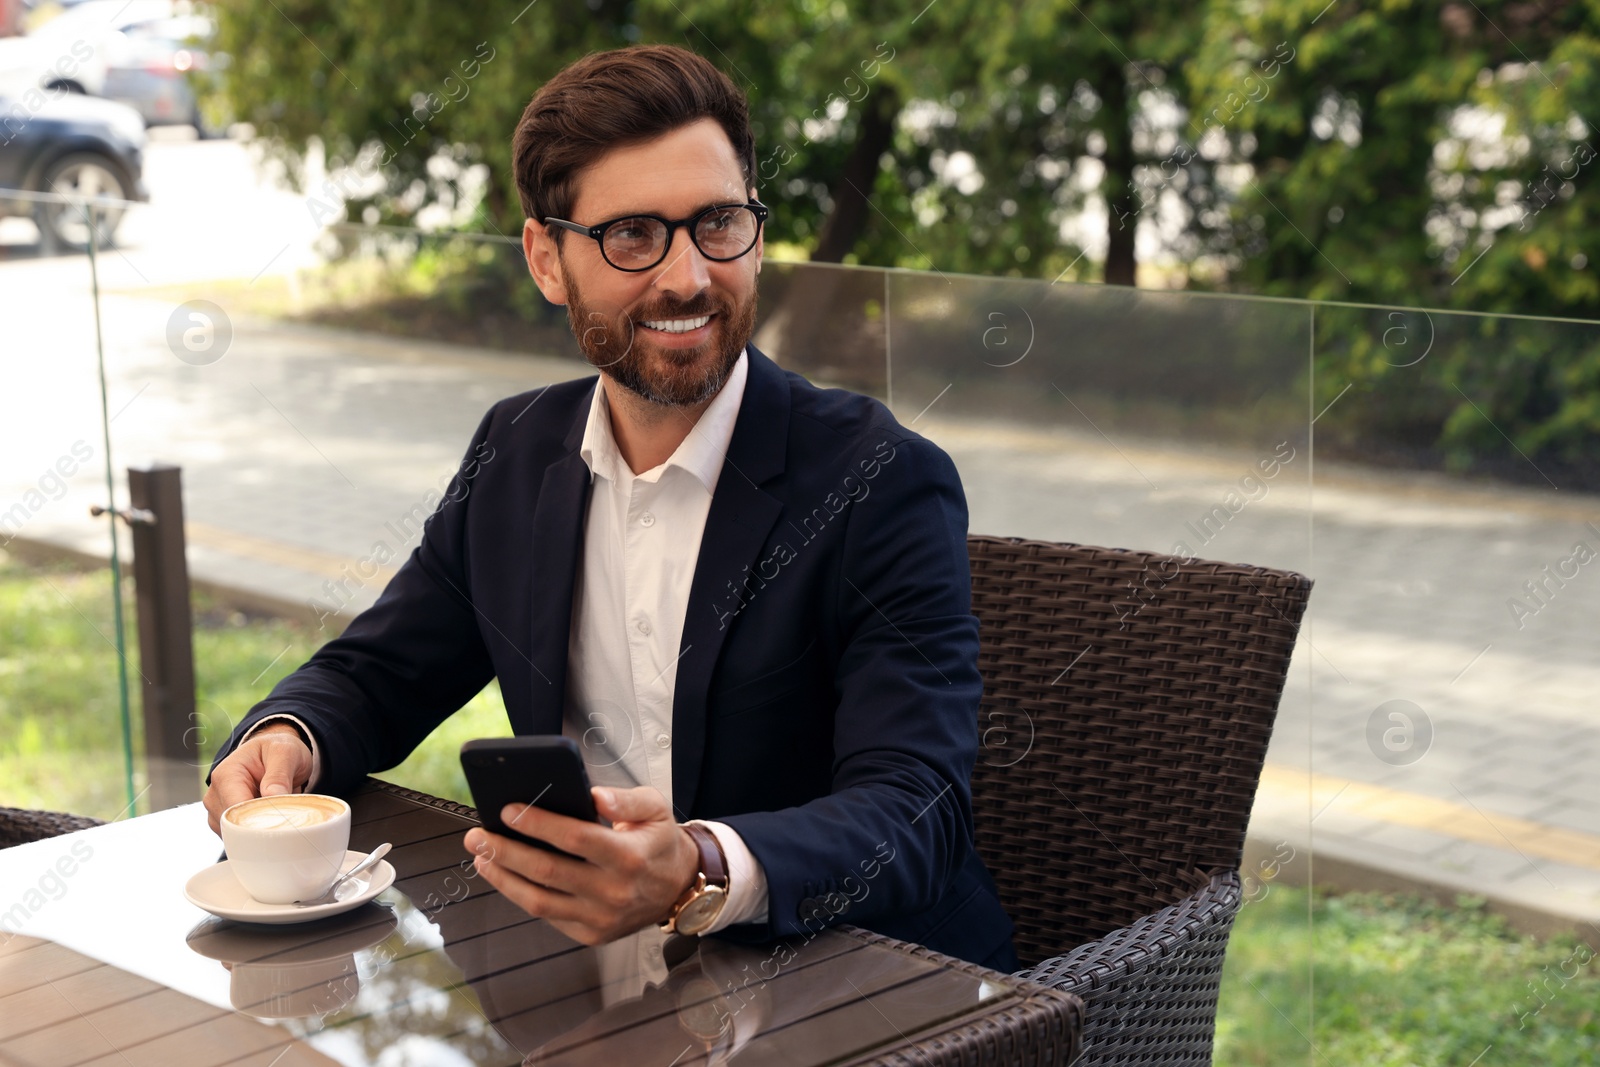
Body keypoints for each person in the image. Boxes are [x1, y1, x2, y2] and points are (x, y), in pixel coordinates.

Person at [205, 44, 1016, 972]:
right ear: (547, 259)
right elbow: (378, 673)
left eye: (718, 223)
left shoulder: (881, 478)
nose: (687, 277)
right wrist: (285, 736)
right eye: (633, 234)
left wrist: (698, 870)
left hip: (866, 986)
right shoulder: (515, 452)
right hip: (591, 985)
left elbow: (916, 807)